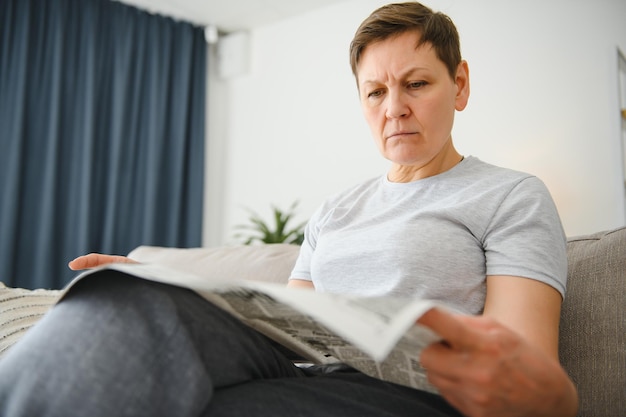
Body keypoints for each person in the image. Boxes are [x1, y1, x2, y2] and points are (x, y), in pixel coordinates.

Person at [0, 2, 578, 416]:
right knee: (128, 298)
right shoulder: (336, 208)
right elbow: (286, 324)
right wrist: (163, 282)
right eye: (376, 91)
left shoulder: (509, 194)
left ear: (460, 85)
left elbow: (530, 374)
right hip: (301, 366)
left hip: (412, 394)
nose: (394, 108)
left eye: (416, 84)